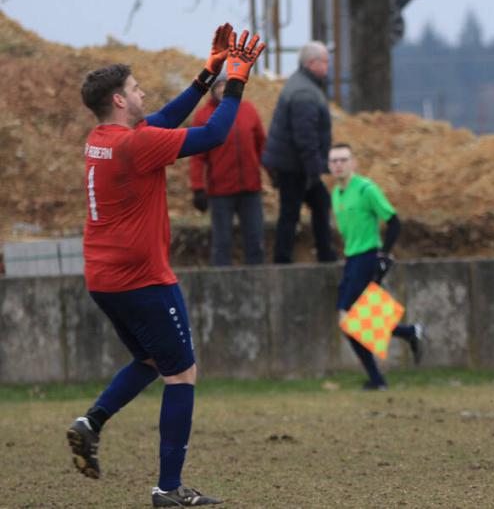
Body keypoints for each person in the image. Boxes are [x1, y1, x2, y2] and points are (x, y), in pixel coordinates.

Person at [67, 25, 265, 507]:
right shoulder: (136, 146)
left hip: (104, 278)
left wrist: (209, 72)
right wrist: (235, 81)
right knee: (182, 373)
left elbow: (163, 120)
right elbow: (216, 133)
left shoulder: (104, 137)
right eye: (135, 89)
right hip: (143, 278)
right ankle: (168, 489)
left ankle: (91, 422)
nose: (141, 93)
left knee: (152, 361)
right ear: (118, 99)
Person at [328, 143, 424, 390]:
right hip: (352, 260)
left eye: (343, 159)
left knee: (349, 319)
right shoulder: (336, 194)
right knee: (351, 322)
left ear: (353, 163)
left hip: (367, 258)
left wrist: (384, 255)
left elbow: (393, 221)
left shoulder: (366, 190)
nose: (338, 164)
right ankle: (407, 333)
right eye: (334, 161)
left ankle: (378, 376)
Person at [261, 41, 336, 263]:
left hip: (293, 164)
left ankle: (318, 254)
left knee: (312, 205)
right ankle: (295, 258)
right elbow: (305, 137)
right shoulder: (305, 92)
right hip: (295, 166)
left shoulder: (304, 85)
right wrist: (314, 170)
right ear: (312, 63)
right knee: (297, 210)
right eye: (325, 61)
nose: (328, 66)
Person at [189, 74, 267, 265]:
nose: (223, 90)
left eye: (228, 85)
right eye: (219, 86)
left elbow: (261, 144)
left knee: (255, 240)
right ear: (213, 90)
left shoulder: (248, 109)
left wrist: (271, 169)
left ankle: (257, 283)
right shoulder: (203, 116)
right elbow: (197, 157)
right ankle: (220, 287)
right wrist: (198, 188)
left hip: (251, 188)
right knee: (222, 243)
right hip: (221, 191)